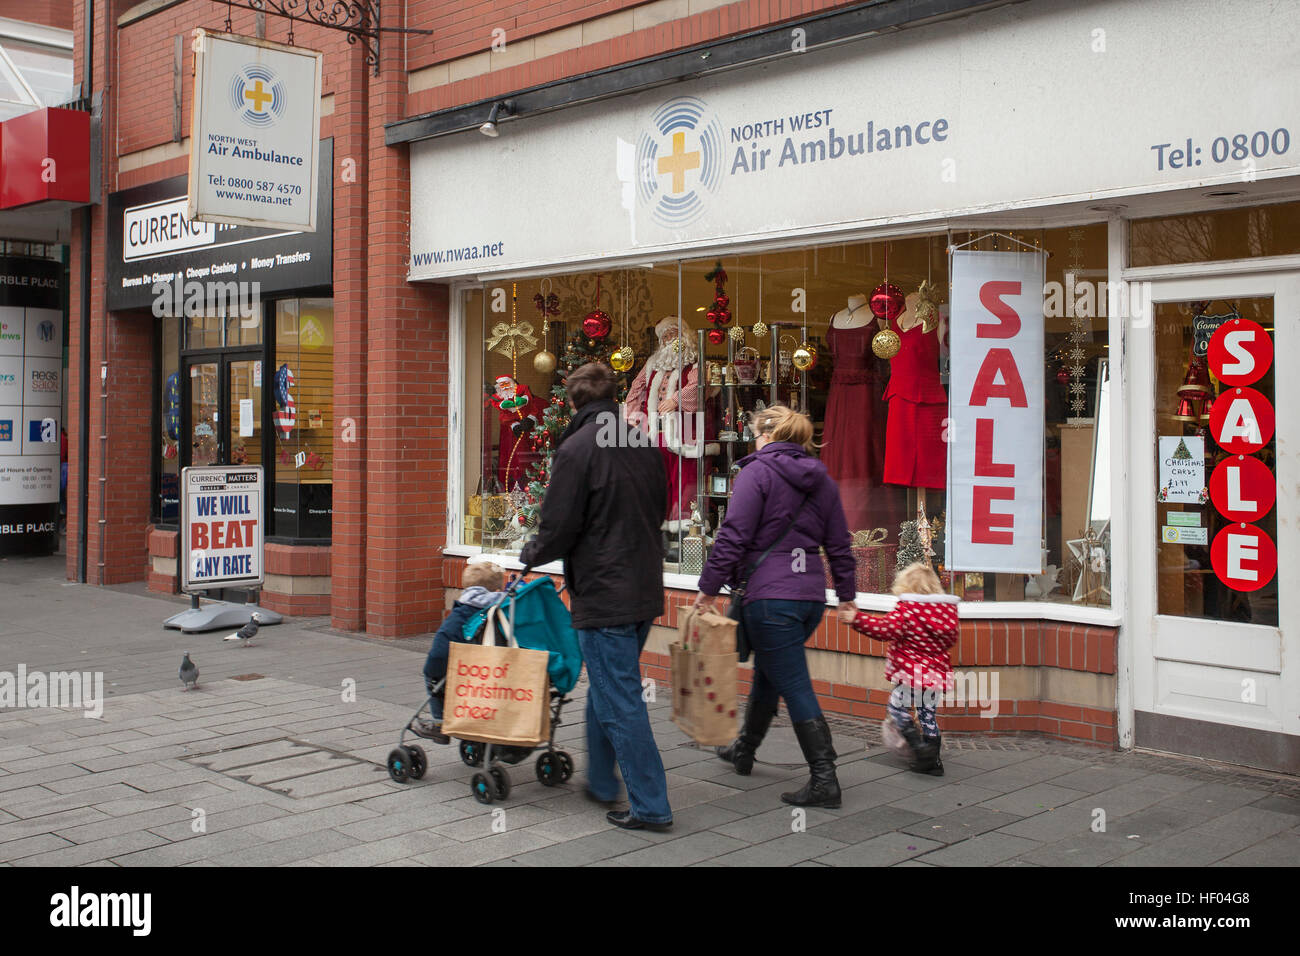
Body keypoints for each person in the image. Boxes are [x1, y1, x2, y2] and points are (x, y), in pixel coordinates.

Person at [520, 362, 673, 831]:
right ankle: (602, 782)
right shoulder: (644, 445)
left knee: (619, 695)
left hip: (605, 592)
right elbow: (662, 507)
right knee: (609, 684)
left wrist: (532, 552)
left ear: (573, 402)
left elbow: (559, 524)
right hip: (643, 585)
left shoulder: (577, 448)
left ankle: (650, 805)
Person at [694, 405, 858, 809]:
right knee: (771, 671)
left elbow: (733, 534)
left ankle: (825, 778)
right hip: (808, 596)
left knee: (794, 683)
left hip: (770, 597)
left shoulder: (756, 472)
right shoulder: (822, 479)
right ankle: (744, 749)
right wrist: (848, 596)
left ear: (763, 435)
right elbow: (839, 543)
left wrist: (707, 589)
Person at [850, 562, 959, 776]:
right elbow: (950, 641)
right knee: (928, 716)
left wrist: (857, 619)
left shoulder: (907, 610)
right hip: (935, 675)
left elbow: (883, 629)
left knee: (897, 709)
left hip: (911, 675)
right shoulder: (946, 613)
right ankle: (934, 763)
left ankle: (919, 749)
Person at [415, 558, 510, 743]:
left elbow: (440, 649)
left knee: (434, 678)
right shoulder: (504, 607)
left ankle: (440, 723)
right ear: (497, 589)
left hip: (463, 668)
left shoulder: (462, 613)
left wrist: (433, 669)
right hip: (493, 669)